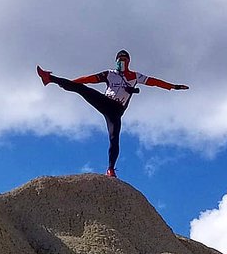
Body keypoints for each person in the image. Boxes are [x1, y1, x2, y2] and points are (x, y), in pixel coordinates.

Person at [37, 50, 188, 177]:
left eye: (123, 60)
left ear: (128, 61)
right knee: (82, 88)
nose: (120, 62)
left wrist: (173, 86)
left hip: (116, 110)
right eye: (119, 59)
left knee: (114, 138)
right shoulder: (109, 74)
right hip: (105, 102)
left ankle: (110, 169)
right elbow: (88, 79)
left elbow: (154, 82)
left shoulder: (136, 76)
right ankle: (49, 78)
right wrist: (69, 83)